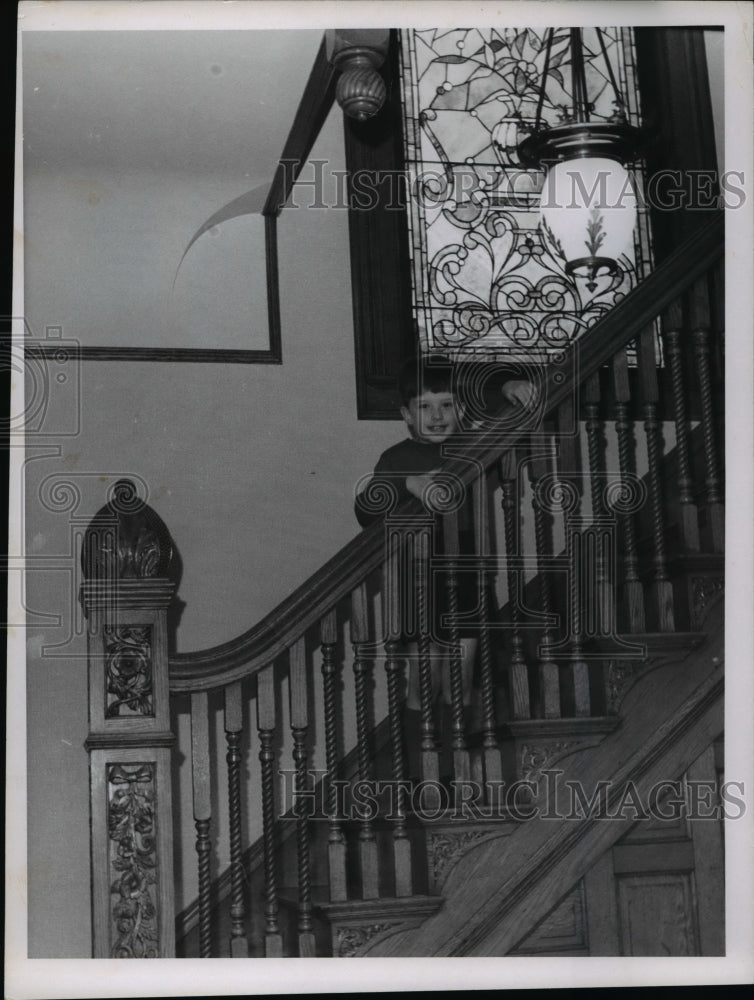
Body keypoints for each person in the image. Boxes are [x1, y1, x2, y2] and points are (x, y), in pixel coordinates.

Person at [354, 353, 538, 781]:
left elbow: (507, 417)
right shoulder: (396, 457)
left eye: (447, 404)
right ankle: (423, 770)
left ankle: (463, 766)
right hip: (416, 580)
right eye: (424, 406)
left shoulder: (474, 445)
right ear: (406, 414)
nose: (437, 415)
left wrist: (507, 387)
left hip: (466, 576)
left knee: (462, 676)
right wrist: (407, 484)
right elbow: (365, 508)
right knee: (424, 680)